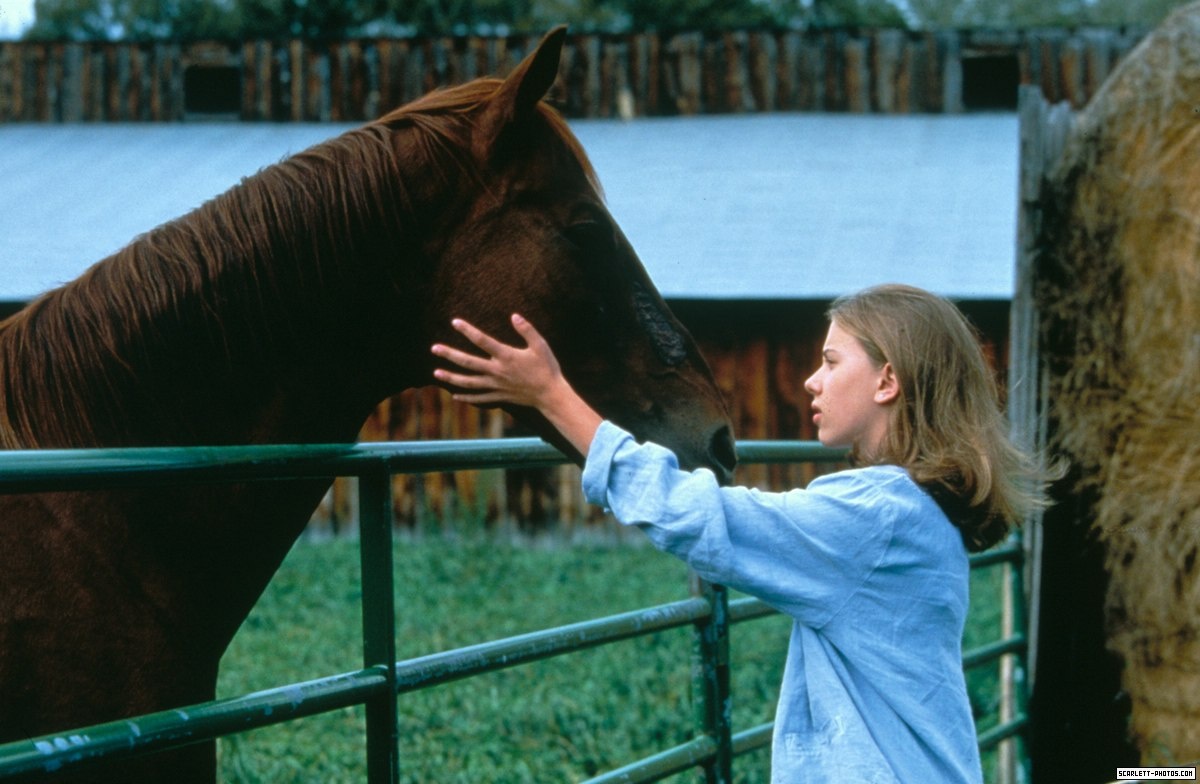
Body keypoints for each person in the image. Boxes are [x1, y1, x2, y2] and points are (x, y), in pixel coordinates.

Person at [430, 283, 1046, 783]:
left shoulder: (876, 515)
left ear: (888, 382)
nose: (811, 379)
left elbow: (699, 517)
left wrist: (552, 396)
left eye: (831, 362)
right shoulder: (913, 511)